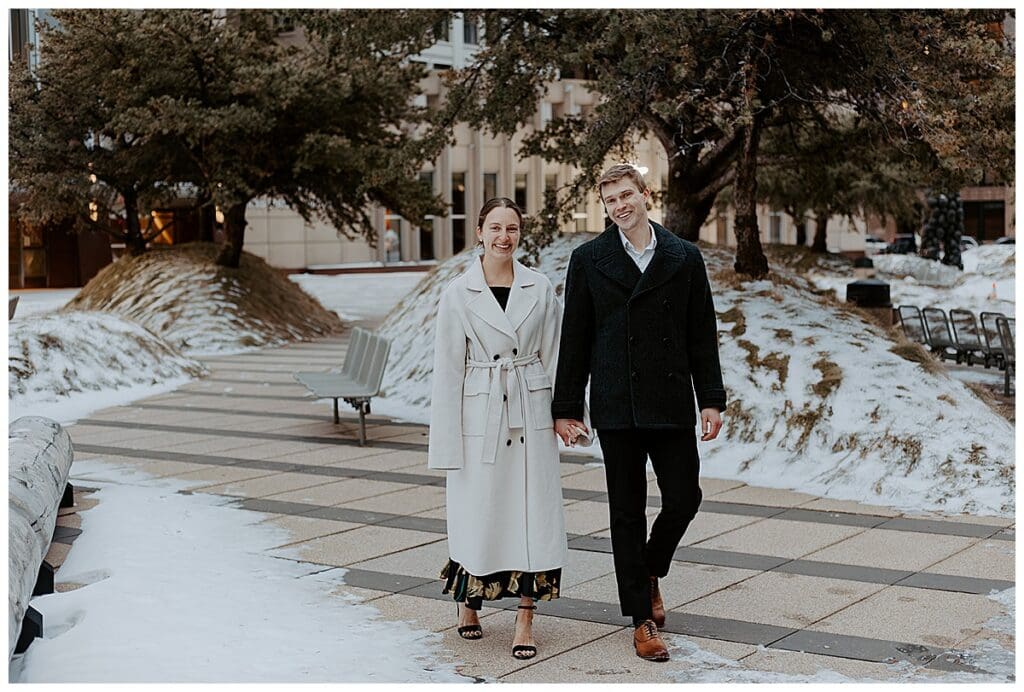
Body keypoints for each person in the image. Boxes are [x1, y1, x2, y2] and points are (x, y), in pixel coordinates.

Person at [552, 164, 726, 662]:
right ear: (604, 207)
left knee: (684, 498)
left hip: (670, 400)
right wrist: (566, 406)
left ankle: (649, 570)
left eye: (626, 195)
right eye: (610, 200)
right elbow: (576, 338)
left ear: (645, 195)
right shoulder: (589, 259)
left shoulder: (684, 256)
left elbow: (700, 333)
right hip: (616, 403)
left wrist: (710, 398)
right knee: (625, 513)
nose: (619, 206)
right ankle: (641, 619)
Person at [428, 197, 568, 660]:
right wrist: (447, 444)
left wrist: (565, 413)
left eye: (512, 228)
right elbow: (447, 372)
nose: (504, 237)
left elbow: (556, 354)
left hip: (529, 409)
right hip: (479, 415)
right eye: (495, 228)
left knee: (532, 516)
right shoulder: (458, 293)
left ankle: (525, 616)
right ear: (480, 234)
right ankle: (469, 602)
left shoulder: (540, 287)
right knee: (478, 513)